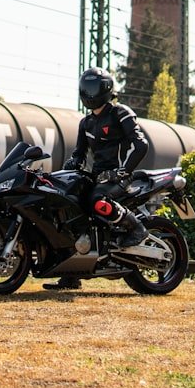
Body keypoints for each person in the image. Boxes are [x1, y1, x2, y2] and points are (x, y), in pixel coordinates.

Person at [44, 67, 150, 291]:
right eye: (87, 88)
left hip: (120, 177)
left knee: (98, 202)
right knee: (67, 206)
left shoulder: (121, 113)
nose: (90, 93)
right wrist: (71, 164)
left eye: (94, 88)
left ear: (106, 89)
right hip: (96, 177)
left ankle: (137, 228)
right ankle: (71, 275)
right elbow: (79, 153)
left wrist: (122, 171)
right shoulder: (86, 123)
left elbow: (141, 145)